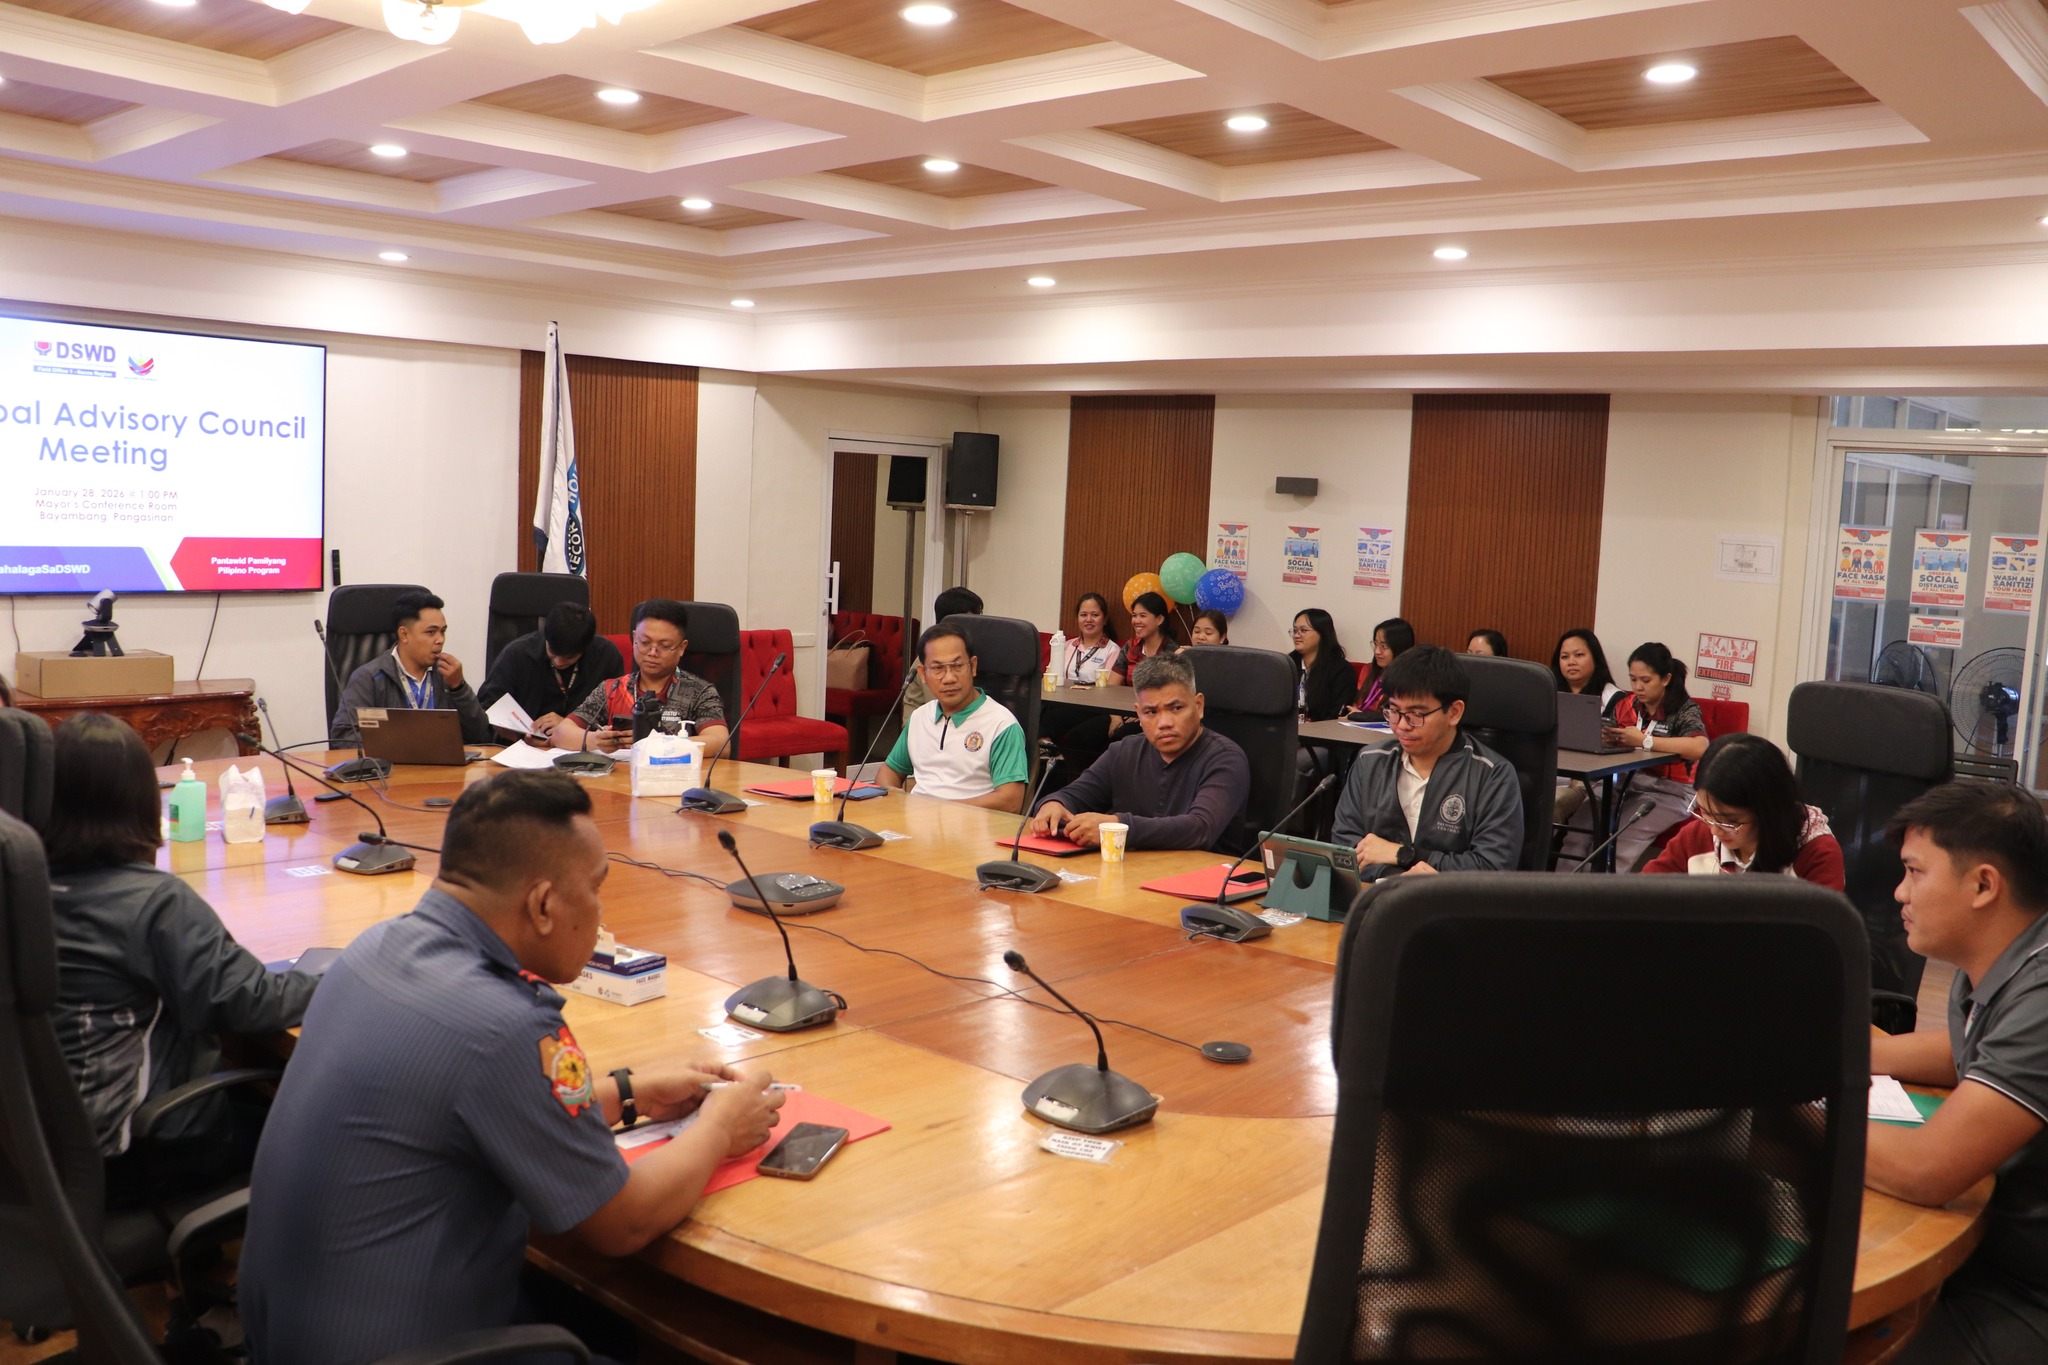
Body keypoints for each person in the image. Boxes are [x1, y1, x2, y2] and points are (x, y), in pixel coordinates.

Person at [241, 771, 785, 1362]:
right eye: (595, 888)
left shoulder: (376, 949)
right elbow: (623, 1224)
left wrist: (627, 1094)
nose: (600, 910)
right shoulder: (506, 1023)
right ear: (543, 905)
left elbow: (471, 1106)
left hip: (292, 1335)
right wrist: (721, 1126)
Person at [38, 714, 317, 1207]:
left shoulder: (26, 886)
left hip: (44, 1149)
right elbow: (250, 1003)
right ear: (142, 800)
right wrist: (343, 976)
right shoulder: (155, 903)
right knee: (316, 1132)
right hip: (133, 1154)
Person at [1864, 783, 2048, 1365]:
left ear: (1984, 885)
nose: (1900, 892)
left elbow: (1927, 1170)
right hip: (1990, 1255)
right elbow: (1972, 1049)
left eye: (1915, 871)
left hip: (2027, 1293)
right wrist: (1856, 1053)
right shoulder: (1999, 961)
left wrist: (1789, 1111)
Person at [1331, 645, 1523, 879]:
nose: (1402, 725)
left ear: (1454, 712)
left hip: (1446, 900)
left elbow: (1492, 868)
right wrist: (1393, 877)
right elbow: (1345, 846)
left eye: (1416, 715)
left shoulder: (1492, 775)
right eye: (1393, 710)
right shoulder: (1370, 761)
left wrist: (1404, 855)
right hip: (1376, 894)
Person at [1027, 655, 1250, 852]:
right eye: (1150, 712)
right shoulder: (1124, 751)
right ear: (1138, 714)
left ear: (1199, 706)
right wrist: (1053, 805)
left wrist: (1117, 827)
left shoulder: (1225, 758)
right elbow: (1074, 795)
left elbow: (1200, 829)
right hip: (1133, 873)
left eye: (1176, 708)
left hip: (1204, 878)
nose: (1164, 722)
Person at [1642, 733, 1844, 888]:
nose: (1715, 831)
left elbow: (1822, 929)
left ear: (1768, 812)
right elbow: (1644, 893)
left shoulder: (1816, 854)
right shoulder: (1697, 836)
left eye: (1730, 821)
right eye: (1705, 812)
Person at [554, 598, 730, 758]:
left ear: (682, 648)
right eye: (645, 643)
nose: (652, 653)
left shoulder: (699, 692)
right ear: (634, 638)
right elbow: (561, 733)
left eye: (664, 646)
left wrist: (658, 745)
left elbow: (721, 743)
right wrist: (595, 740)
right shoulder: (612, 689)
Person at [878, 624, 1030, 812]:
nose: (949, 678)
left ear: (973, 666)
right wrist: (892, 793)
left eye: (957, 666)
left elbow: (1010, 801)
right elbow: (889, 771)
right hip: (917, 822)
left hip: (971, 825)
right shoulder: (919, 717)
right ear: (923, 674)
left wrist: (940, 810)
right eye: (938, 668)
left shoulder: (1001, 725)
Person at [330, 589, 492, 746]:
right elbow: (343, 737)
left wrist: (459, 688)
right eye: (431, 632)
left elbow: (480, 734)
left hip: (443, 762)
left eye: (442, 632)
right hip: (392, 763)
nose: (440, 640)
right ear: (404, 634)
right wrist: (401, 742)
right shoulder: (370, 678)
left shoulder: (447, 674)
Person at [476, 602, 626, 745]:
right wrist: (518, 736)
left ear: (585, 648)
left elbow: (615, 718)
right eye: (553, 654)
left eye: (569, 658)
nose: (559, 662)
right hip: (522, 748)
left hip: (583, 751)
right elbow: (486, 709)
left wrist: (569, 728)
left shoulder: (606, 656)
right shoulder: (517, 654)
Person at [1604, 641, 1709, 766]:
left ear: (1666, 679)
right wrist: (1606, 739)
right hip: (1624, 775)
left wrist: (1644, 741)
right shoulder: (1625, 705)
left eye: (1646, 680)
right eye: (1633, 679)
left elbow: (1700, 747)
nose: (1638, 687)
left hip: (1665, 777)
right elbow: (1603, 737)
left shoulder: (1684, 709)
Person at [903, 585, 983, 728]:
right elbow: (947, 709)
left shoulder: (978, 653)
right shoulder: (929, 661)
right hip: (934, 731)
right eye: (973, 619)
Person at [1288, 608, 1354, 722]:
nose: (1296, 635)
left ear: (1322, 633)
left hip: (1321, 730)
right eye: (1294, 630)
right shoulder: (1287, 664)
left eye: (1303, 630)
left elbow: (1337, 713)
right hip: (1288, 728)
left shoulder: (1341, 670)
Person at [1346, 617, 1416, 717]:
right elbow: (1357, 704)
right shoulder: (1369, 669)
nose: (1377, 651)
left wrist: (1362, 717)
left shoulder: (1410, 680)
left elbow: (1395, 715)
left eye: (1384, 645)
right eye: (1376, 644)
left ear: (1400, 647)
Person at [1108, 591, 1178, 683]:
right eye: (1134, 615)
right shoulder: (1130, 646)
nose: (1136, 621)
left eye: (1143, 616)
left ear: (1160, 619)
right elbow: (1112, 685)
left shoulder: (1173, 652)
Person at [1055, 592, 1123, 685]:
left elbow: (1110, 688)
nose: (1088, 619)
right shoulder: (1066, 645)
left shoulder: (1112, 650)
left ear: (1105, 619)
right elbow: (1051, 677)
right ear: (1077, 618)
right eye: (1083, 615)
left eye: (1095, 615)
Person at [1551, 627, 1623, 712]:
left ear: (1595, 657)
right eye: (1564, 657)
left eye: (1579, 655)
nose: (1571, 662)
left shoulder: (1615, 699)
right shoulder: (1548, 693)